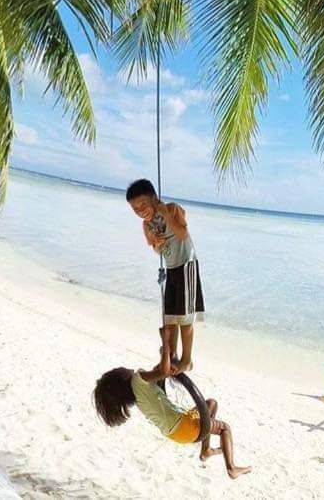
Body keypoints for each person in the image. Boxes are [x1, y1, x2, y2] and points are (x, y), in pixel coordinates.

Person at [93, 328, 250, 480]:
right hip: (184, 426)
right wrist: (165, 341)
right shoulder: (138, 379)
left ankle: (206, 450)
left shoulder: (138, 393)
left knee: (211, 404)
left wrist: (166, 355)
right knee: (224, 428)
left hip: (175, 433)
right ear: (120, 377)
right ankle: (231, 468)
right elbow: (163, 371)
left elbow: (159, 371)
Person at [126, 178, 204, 373]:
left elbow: (183, 233)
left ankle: (186, 360)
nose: (141, 211)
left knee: (184, 318)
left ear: (154, 198)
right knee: (170, 317)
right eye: (135, 209)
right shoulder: (146, 226)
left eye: (143, 204)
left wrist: (165, 213)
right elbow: (156, 249)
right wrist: (158, 245)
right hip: (170, 268)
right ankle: (171, 354)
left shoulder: (172, 209)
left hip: (186, 264)